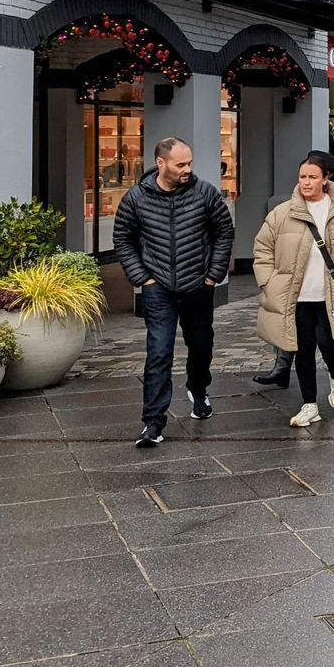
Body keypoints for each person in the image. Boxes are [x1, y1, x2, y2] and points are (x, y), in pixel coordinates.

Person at [112, 137, 234, 447]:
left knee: (201, 344)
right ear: (161, 163)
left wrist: (213, 276)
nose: (187, 169)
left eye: (190, 163)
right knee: (159, 352)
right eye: (181, 164)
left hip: (198, 286)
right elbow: (123, 240)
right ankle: (153, 422)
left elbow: (224, 232)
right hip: (158, 290)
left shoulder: (204, 192)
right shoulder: (136, 198)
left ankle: (198, 388)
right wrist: (143, 278)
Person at [252, 152, 334, 428]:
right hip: (296, 296)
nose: (306, 182)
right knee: (303, 350)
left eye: (312, 177)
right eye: (302, 177)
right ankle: (309, 404)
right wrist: (268, 282)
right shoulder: (283, 213)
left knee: (331, 345)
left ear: (325, 179)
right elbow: (262, 249)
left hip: (331, 294)